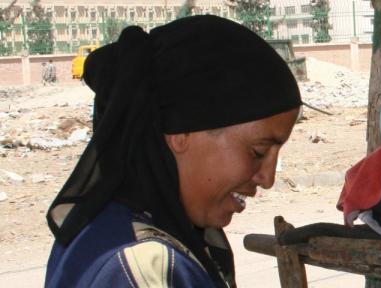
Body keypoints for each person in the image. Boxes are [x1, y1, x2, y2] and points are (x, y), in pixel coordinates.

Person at [44, 15, 302, 287]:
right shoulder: (143, 267)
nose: (268, 178)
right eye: (258, 152)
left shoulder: (109, 228)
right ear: (182, 133)